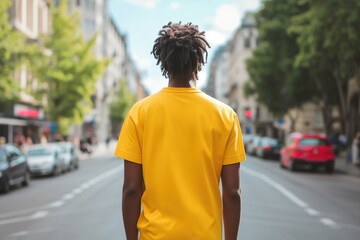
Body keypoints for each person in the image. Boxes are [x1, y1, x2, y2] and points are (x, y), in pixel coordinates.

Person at [115, 22, 246, 240]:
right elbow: (232, 193)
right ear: (199, 61)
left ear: (164, 61)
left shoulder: (140, 112)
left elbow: (131, 189)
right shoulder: (225, 115)